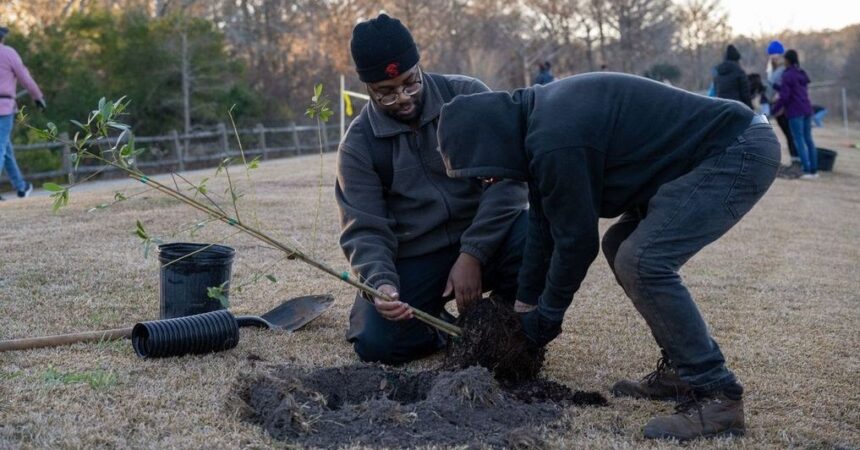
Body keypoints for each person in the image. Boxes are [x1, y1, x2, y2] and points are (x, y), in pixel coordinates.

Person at [437, 72, 781, 441]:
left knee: (642, 259)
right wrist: (524, 308)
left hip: (735, 149)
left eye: (485, 176)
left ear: (490, 141)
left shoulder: (553, 139)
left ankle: (718, 395)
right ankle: (683, 369)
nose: (489, 183)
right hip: (712, 151)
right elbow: (542, 225)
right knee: (620, 244)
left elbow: (576, 242)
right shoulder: (533, 124)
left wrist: (548, 318)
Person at [336, 14, 528, 365]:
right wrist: (381, 284)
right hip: (418, 255)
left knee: (535, 236)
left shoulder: (468, 96)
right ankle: (442, 327)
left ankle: (501, 324)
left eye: (411, 83)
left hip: (485, 238)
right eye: (386, 93)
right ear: (367, 88)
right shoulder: (358, 144)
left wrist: (473, 254)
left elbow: (509, 181)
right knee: (377, 345)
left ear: (420, 66)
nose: (403, 98)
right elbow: (364, 228)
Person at [0, 26, 44, 200]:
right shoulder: (8, 53)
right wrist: (37, 97)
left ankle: (21, 186)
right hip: (4, 107)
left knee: (6, 148)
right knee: (1, 147)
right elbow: (25, 77)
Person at [772, 49, 818, 179]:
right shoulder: (801, 73)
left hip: (795, 111)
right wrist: (778, 87)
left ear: (787, 60)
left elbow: (785, 97)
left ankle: (806, 169)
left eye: (784, 59)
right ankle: (814, 170)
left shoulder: (787, 75)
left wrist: (774, 110)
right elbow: (795, 89)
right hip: (807, 109)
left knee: (799, 140)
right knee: (808, 139)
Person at [765, 40, 800, 166]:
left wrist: (779, 97)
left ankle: (796, 158)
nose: (773, 58)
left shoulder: (784, 69)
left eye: (775, 55)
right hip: (774, 105)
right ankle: (795, 157)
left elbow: (786, 87)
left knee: (790, 133)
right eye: (771, 56)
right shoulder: (771, 69)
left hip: (784, 106)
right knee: (787, 133)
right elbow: (770, 85)